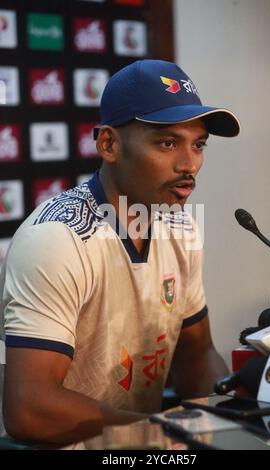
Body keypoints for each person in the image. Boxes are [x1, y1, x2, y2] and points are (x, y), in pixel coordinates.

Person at [0, 59, 240, 448]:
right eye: (167, 142)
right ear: (109, 144)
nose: (189, 164)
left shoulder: (181, 226)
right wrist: (159, 431)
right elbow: (30, 409)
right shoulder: (58, 238)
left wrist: (225, 422)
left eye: (197, 145)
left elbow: (196, 354)